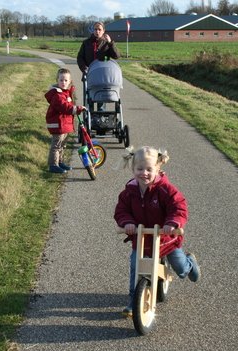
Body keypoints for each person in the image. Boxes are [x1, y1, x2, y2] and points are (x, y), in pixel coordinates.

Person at [114, 146, 200, 317]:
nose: (144, 173)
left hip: (166, 238)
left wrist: (172, 223)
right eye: (139, 169)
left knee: (180, 269)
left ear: (158, 169)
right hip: (142, 239)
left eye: (149, 169)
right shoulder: (129, 192)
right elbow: (121, 210)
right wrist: (127, 223)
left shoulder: (165, 190)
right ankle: (133, 300)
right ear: (133, 169)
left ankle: (190, 263)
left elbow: (179, 207)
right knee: (135, 267)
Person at [44, 68, 85, 173]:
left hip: (64, 124)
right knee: (56, 145)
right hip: (58, 124)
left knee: (63, 145)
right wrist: (78, 109)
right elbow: (65, 107)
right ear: (57, 80)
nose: (63, 82)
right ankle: (53, 165)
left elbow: (68, 106)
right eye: (61, 80)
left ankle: (60, 162)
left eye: (66, 80)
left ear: (70, 81)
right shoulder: (57, 95)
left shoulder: (66, 93)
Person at [77, 21, 121, 114]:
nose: (97, 31)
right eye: (95, 29)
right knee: (89, 98)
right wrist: (84, 68)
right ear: (93, 30)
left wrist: (110, 43)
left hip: (102, 76)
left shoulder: (106, 44)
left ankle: (100, 119)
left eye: (99, 29)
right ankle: (89, 118)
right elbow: (80, 57)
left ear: (103, 31)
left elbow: (116, 56)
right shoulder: (86, 43)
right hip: (89, 74)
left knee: (101, 99)